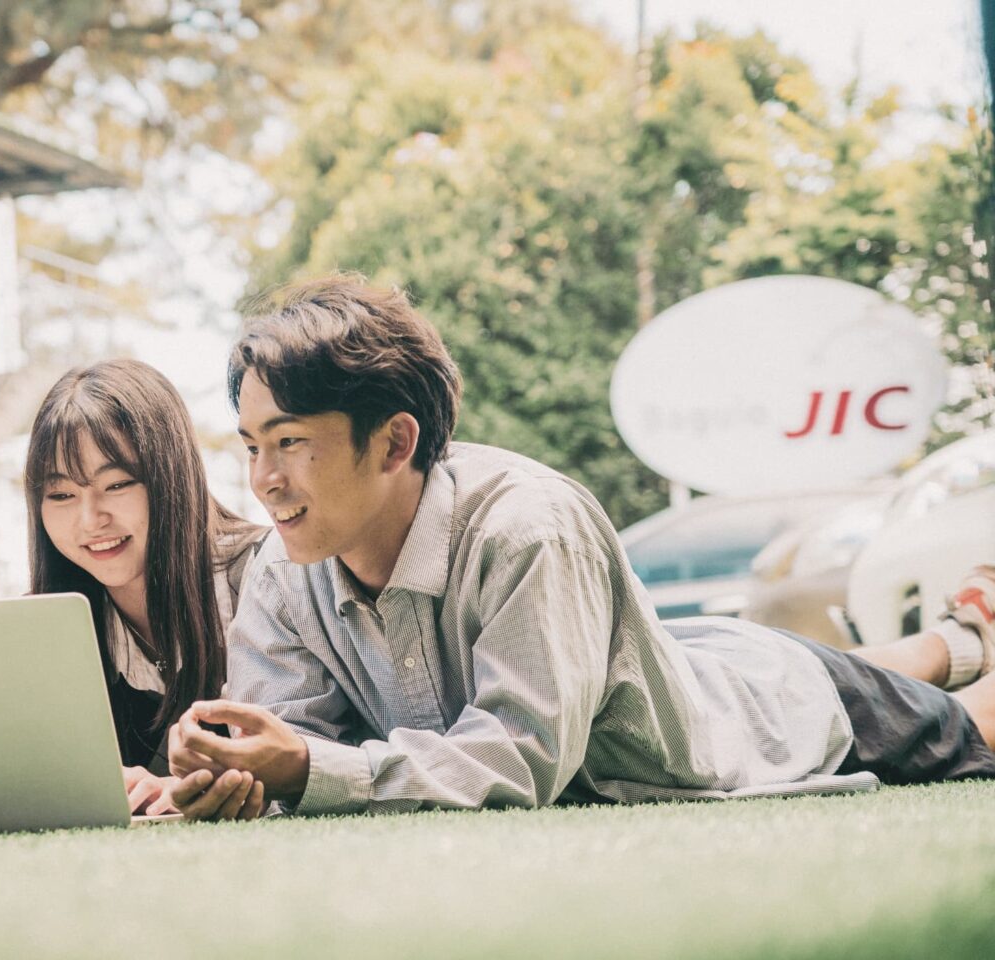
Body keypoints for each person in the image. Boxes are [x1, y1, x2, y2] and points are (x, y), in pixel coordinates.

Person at [166, 274, 995, 816]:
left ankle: (967, 645)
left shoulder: (529, 526)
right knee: (825, 661)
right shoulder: (286, 564)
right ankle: (965, 634)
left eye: (290, 442)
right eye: (249, 446)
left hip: (770, 715)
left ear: (392, 444)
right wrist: (231, 769)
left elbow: (518, 759)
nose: (264, 480)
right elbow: (288, 738)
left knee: (975, 736)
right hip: (699, 662)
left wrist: (308, 771)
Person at [25, 358, 267, 820]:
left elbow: (311, 745)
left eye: (116, 485)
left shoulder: (267, 577)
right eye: (60, 495)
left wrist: (179, 789)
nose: (89, 520)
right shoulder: (46, 623)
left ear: (171, 477)